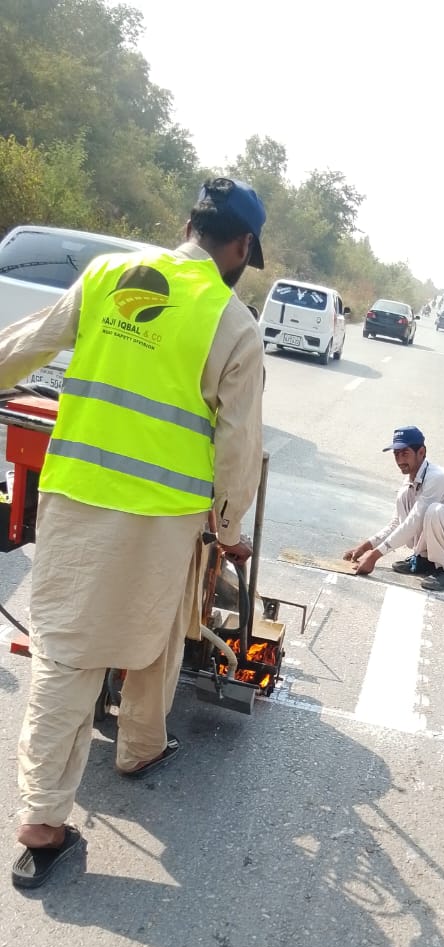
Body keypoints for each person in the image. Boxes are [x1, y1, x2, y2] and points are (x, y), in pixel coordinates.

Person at [0, 176, 266, 888]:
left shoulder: (108, 272)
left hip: (77, 493)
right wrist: (229, 525)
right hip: (164, 517)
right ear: (241, 247)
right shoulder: (231, 321)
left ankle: (44, 815)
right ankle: (138, 749)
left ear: (188, 224)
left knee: (65, 649)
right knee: (159, 629)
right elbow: (238, 443)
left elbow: (28, 344)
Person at [343, 427, 444, 592]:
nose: (399, 460)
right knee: (404, 498)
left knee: (434, 511)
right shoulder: (411, 480)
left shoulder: (438, 477)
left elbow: (414, 521)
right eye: (396, 454)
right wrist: (366, 546)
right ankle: (425, 560)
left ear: (421, 452)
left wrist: (375, 555)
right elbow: (398, 522)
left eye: (405, 453)